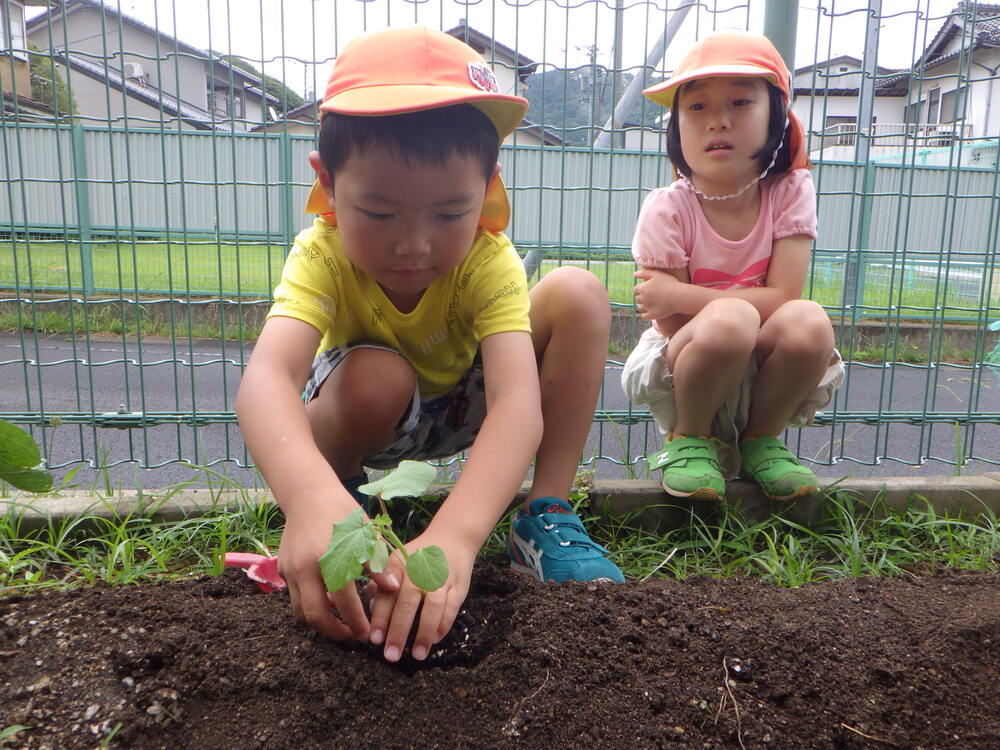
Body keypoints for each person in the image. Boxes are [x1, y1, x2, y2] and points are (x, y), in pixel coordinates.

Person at [237, 26, 623, 664]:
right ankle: (342, 508)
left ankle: (545, 515)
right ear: (328, 184)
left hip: (462, 409)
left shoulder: (485, 260)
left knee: (578, 292)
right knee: (375, 377)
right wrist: (308, 498)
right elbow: (266, 380)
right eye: (380, 214)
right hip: (369, 414)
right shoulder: (324, 255)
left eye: (449, 215)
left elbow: (517, 403)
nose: (414, 245)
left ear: (488, 187)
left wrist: (458, 537)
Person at [621, 32, 844, 502]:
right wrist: (708, 307)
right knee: (731, 318)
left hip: (761, 354)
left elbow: (785, 298)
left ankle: (762, 439)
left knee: (809, 320)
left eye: (741, 102)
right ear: (676, 127)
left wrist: (683, 294)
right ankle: (689, 438)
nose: (718, 120)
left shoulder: (790, 191)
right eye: (696, 108)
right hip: (687, 358)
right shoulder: (667, 207)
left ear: (777, 119)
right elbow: (671, 321)